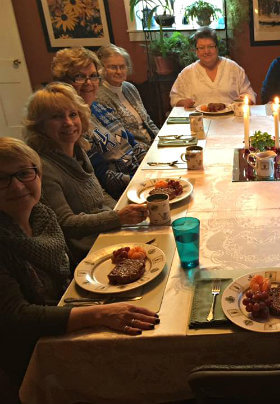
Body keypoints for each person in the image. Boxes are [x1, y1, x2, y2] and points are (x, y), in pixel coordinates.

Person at [0, 137, 159, 398]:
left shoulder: (42, 215)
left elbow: (66, 271)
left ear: (37, 174)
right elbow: (17, 317)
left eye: (24, 173)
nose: (16, 186)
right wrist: (99, 314)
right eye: (1, 178)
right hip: (35, 351)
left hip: (69, 311)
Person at [23, 82, 148, 263]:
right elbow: (66, 224)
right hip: (89, 252)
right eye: (57, 117)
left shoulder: (78, 150)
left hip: (107, 233)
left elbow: (99, 194)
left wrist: (121, 211)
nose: (68, 123)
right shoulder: (45, 168)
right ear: (40, 125)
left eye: (73, 114)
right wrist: (117, 217)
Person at [51, 46, 147, 199]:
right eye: (79, 77)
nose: (89, 83)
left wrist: (151, 166)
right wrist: (143, 180)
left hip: (140, 178)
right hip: (125, 193)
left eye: (93, 76)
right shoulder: (71, 125)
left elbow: (131, 142)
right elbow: (102, 177)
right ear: (63, 82)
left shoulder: (97, 107)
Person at [170, 27, 256, 108]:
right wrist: (183, 102)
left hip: (231, 120)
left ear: (217, 48)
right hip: (199, 121)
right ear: (196, 51)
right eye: (201, 48)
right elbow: (174, 98)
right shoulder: (187, 73)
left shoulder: (233, 68)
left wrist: (245, 99)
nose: (206, 51)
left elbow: (249, 93)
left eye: (210, 46)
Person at [96, 44, 159, 145]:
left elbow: (147, 120)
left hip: (152, 144)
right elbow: (119, 137)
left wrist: (161, 139)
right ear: (101, 69)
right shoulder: (99, 96)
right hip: (136, 150)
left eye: (122, 67)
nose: (119, 71)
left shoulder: (129, 87)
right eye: (113, 67)